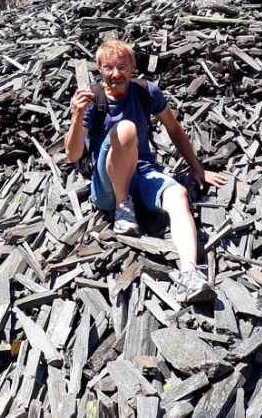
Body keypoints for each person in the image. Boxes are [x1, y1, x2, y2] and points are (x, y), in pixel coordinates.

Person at [64, 39, 227, 303]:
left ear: (133, 67)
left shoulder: (146, 92)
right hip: (108, 186)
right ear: (99, 69)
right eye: (108, 68)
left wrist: (197, 168)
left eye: (122, 67)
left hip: (142, 172)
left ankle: (189, 274)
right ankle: (123, 207)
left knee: (179, 195)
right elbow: (72, 154)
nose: (115, 74)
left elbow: (173, 129)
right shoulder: (93, 100)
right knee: (126, 129)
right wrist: (77, 116)